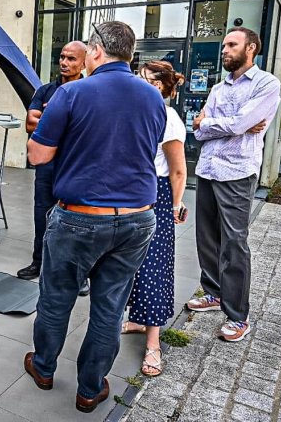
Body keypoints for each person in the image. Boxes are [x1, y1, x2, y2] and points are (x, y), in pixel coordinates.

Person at [22, 21, 165, 413]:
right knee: (110, 305)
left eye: (85, 52)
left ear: (97, 51)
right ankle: (90, 389)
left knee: (56, 298)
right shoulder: (154, 98)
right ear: (130, 54)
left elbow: (37, 155)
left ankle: (45, 368)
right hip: (137, 219)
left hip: (80, 218)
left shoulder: (72, 92)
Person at [186, 27, 281, 343]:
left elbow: (237, 124)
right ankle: (213, 293)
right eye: (224, 44)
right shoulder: (218, 89)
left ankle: (238, 316)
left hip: (237, 173)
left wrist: (210, 123)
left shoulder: (266, 84)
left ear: (251, 47)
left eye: (231, 44)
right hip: (208, 170)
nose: (224, 49)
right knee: (207, 238)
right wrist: (218, 126)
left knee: (234, 244)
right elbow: (197, 131)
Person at [121, 60, 188, 377]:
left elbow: (177, 171)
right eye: (137, 76)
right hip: (131, 192)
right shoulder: (135, 111)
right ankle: (136, 320)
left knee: (153, 268)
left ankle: (153, 345)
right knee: (129, 263)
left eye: (146, 79)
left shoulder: (168, 117)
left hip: (158, 195)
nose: (138, 81)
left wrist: (174, 206)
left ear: (160, 86)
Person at [17, 41, 91, 297]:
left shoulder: (86, 91)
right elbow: (30, 123)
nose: (64, 62)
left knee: (76, 221)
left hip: (75, 168)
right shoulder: (46, 90)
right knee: (42, 215)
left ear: (83, 63)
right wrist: (58, 118)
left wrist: (52, 119)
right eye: (62, 57)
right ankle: (39, 262)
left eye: (71, 59)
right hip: (47, 167)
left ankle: (78, 274)